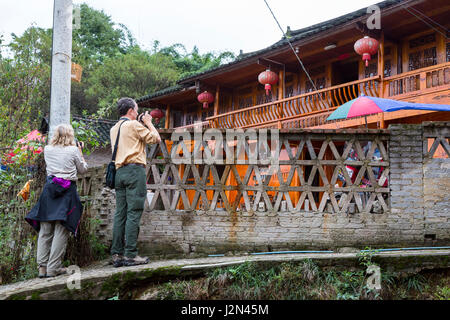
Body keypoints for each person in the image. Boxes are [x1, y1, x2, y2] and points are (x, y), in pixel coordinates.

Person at [26, 124, 88, 278]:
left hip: (50, 190)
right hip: (67, 192)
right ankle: (54, 268)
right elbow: (83, 169)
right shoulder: (73, 150)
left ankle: (42, 268)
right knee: (61, 229)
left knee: (45, 230)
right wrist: (80, 152)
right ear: (70, 135)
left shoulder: (47, 149)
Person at [109, 97, 161, 267]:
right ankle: (130, 254)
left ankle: (116, 254)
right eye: (137, 110)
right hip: (134, 171)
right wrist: (148, 122)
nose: (138, 113)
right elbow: (155, 139)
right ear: (131, 110)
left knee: (120, 213)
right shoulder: (134, 125)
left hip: (119, 172)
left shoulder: (114, 128)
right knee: (134, 212)